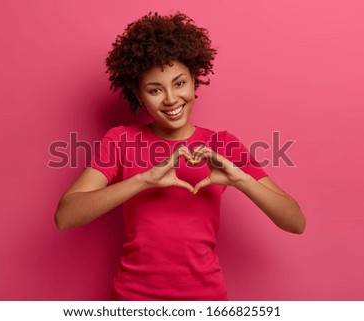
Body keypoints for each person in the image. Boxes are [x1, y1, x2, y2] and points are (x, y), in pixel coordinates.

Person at [54, 12, 306, 300]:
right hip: (133, 301)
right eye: (154, 90)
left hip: (206, 301)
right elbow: (66, 215)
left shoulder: (221, 143)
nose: (171, 99)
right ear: (138, 94)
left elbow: (295, 222)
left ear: (195, 82)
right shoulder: (121, 140)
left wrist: (241, 179)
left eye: (179, 83)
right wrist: (144, 180)